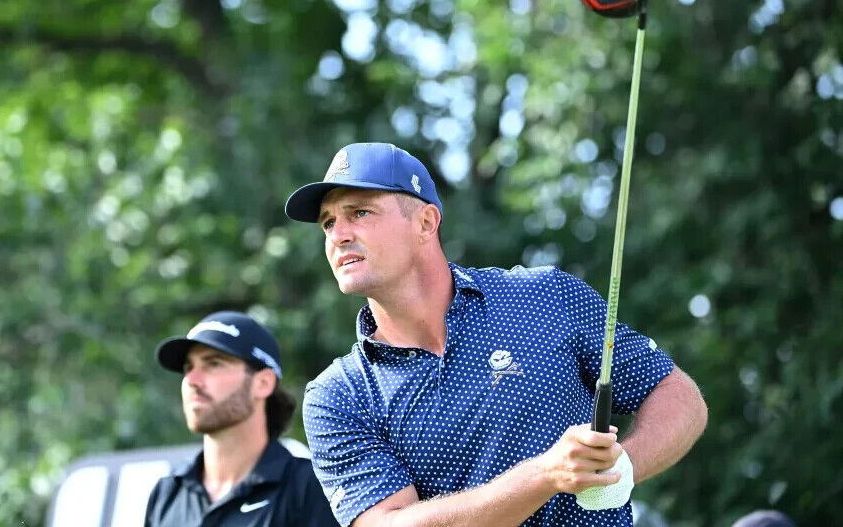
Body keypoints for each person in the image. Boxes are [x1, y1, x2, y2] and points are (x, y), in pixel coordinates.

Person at [284, 142, 708, 526]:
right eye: (327, 222)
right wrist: (546, 476)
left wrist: (622, 468)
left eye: (360, 212)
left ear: (426, 222)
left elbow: (675, 392)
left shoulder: (544, 296)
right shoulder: (337, 396)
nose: (338, 235)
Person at [144, 311, 336, 527]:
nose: (192, 380)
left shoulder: (310, 487)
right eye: (189, 367)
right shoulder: (168, 493)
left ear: (263, 383)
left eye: (213, 363)